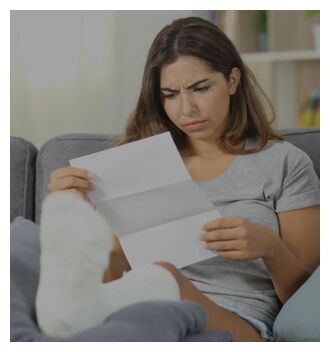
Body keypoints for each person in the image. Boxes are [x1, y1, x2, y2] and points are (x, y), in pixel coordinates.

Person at [45, 17, 320, 341]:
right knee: (23, 251)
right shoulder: (134, 163)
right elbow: (112, 269)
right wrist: (72, 213)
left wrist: (269, 247)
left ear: (233, 80)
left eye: (200, 88)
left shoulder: (284, 163)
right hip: (137, 312)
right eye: (170, 94)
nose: (186, 108)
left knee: (163, 279)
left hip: (238, 323)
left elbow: (306, 299)